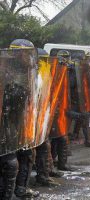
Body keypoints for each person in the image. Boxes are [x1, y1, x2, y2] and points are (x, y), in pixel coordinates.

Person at [9, 39, 39, 198]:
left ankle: (21, 188)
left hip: (25, 119)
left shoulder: (29, 70)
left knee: (27, 154)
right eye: (27, 53)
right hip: (10, 121)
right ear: (19, 52)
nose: (29, 57)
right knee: (10, 159)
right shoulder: (7, 69)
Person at [35, 48, 59, 187]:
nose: (45, 63)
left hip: (41, 116)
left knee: (45, 146)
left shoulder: (44, 73)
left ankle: (45, 174)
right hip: (30, 119)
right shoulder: (30, 74)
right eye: (43, 60)